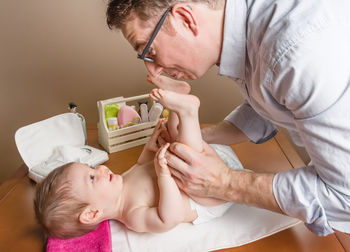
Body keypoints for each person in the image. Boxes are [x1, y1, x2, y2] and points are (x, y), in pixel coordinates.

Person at [106, 0, 350, 237]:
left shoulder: (297, 54)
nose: (153, 70)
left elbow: (344, 195)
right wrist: (203, 137)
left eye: (149, 51)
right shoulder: (252, 31)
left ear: (185, 19)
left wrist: (223, 182)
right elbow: (273, 97)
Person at [34, 87, 241, 238]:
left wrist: (150, 148)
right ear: (92, 213)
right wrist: (164, 177)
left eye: (91, 168)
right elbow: (170, 217)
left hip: (213, 164)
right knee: (183, 152)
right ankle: (187, 112)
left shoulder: (119, 182)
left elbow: (141, 165)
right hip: (213, 196)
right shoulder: (132, 215)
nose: (101, 169)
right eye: (91, 177)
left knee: (171, 140)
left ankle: (176, 107)